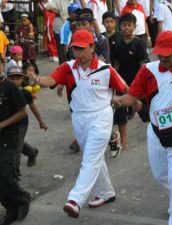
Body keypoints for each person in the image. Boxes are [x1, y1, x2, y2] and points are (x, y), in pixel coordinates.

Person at [113, 31, 172, 225]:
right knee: (161, 175)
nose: (163, 57)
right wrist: (117, 101)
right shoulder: (148, 70)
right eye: (160, 53)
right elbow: (133, 96)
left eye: (168, 53)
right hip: (156, 131)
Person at [33, 30, 128, 218]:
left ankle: (75, 199)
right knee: (94, 157)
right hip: (79, 118)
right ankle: (106, 192)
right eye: (74, 48)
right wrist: (36, 79)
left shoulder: (105, 70)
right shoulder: (68, 67)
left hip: (101, 116)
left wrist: (135, 101)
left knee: (90, 158)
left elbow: (124, 87)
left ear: (92, 47)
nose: (77, 52)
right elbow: (51, 80)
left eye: (81, 48)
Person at [0, 63, 31, 225]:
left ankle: (22, 198)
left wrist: (2, 125)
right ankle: (11, 207)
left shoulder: (9, 86)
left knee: (4, 174)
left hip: (9, 137)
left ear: (2, 66)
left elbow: (22, 112)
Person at [113, 13, 148, 149]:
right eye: (124, 25)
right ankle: (123, 140)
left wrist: (138, 84)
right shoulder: (118, 42)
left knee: (145, 111)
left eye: (129, 25)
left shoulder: (139, 43)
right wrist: (114, 78)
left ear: (134, 27)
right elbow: (116, 63)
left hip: (137, 81)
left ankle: (156, 131)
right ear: (120, 26)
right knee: (121, 109)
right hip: (122, 82)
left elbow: (143, 66)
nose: (126, 27)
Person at [6, 66, 47, 177]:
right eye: (12, 78)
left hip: (21, 124)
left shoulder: (24, 93)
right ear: (6, 79)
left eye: (18, 78)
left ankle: (14, 172)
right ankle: (32, 152)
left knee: (16, 147)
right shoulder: (4, 91)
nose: (15, 81)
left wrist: (41, 122)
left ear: (22, 79)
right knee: (14, 143)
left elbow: (33, 108)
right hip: (7, 123)